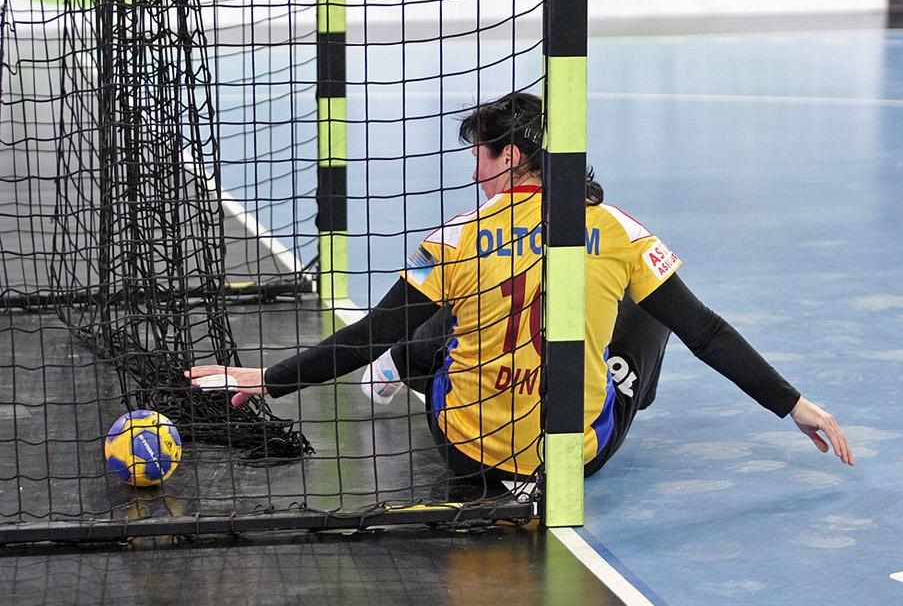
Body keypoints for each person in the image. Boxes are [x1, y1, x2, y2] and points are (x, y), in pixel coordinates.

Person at [186, 92, 853, 489]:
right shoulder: (617, 229)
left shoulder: (454, 236)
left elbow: (370, 333)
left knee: (444, 316)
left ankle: (406, 368)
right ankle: (628, 391)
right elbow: (706, 331)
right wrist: (794, 405)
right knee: (652, 307)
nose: (474, 168)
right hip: (567, 464)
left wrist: (268, 379)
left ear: (509, 157)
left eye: (480, 153)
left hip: (465, 455)